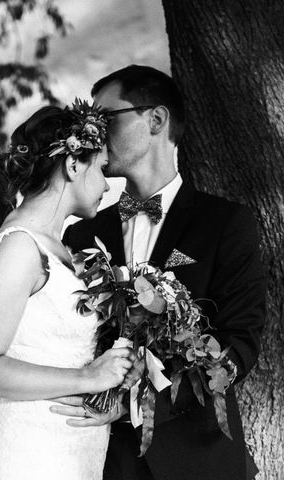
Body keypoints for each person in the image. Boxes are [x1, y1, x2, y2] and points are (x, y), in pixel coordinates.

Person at [54, 65, 267, 480]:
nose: (94, 135)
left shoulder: (225, 223)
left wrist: (138, 404)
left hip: (201, 460)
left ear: (156, 119)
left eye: (105, 119)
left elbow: (239, 343)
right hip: (98, 459)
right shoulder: (82, 232)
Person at [0, 104, 135, 480]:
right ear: (73, 165)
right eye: (101, 169)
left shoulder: (64, 251)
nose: (107, 184)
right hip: (25, 454)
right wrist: (88, 379)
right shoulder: (19, 248)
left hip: (69, 454)